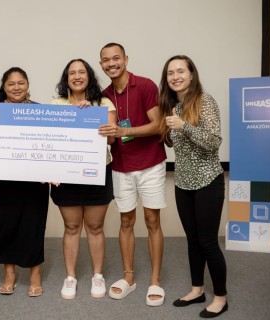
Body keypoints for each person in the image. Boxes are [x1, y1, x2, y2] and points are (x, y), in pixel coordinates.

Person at [98, 43, 167, 306]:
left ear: (126, 59)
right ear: (101, 64)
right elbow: (103, 133)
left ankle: (155, 280)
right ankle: (129, 277)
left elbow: (159, 125)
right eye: (106, 60)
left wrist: (125, 132)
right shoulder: (103, 95)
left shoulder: (146, 85)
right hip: (121, 166)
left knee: (152, 221)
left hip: (150, 163)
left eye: (116, 58)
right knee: (126, 222)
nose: (111, 63)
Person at [159, 55, 228, 318]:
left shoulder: (205, 101)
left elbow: (213, 142)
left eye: (180, 71)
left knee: (208, 242)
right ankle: (197, 289)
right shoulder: (172, 106)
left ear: (191, 74)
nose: (175, 76)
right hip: (183, 182)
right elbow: (175, 144)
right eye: (170, 73)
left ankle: (221, 297)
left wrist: (184, 126)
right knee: (192, 241)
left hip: (208, 181)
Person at [51, 58, 117, 299]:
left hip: (97, 172)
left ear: (89, 76)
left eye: (81, 72)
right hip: (66, 176)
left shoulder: (104, 103)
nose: (77, 76)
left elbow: (111, 139)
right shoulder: (56, 104)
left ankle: (97, 276)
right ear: (66, 78)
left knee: (95, 227)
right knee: (71, 227)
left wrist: (91, 115)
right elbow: (51, 139)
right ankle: (70, 277)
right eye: (72, 73)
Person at [0, 67, 50, 297]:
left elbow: (51, 145)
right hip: (2, 181)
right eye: (11, 84)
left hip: (34, 182)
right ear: (4, 86)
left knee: (32, 224)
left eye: (21, 83)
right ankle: (9, 274)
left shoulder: (40, 112)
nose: (16, 87)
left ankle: (35, 274)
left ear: (28, 84)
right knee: (4, 225)